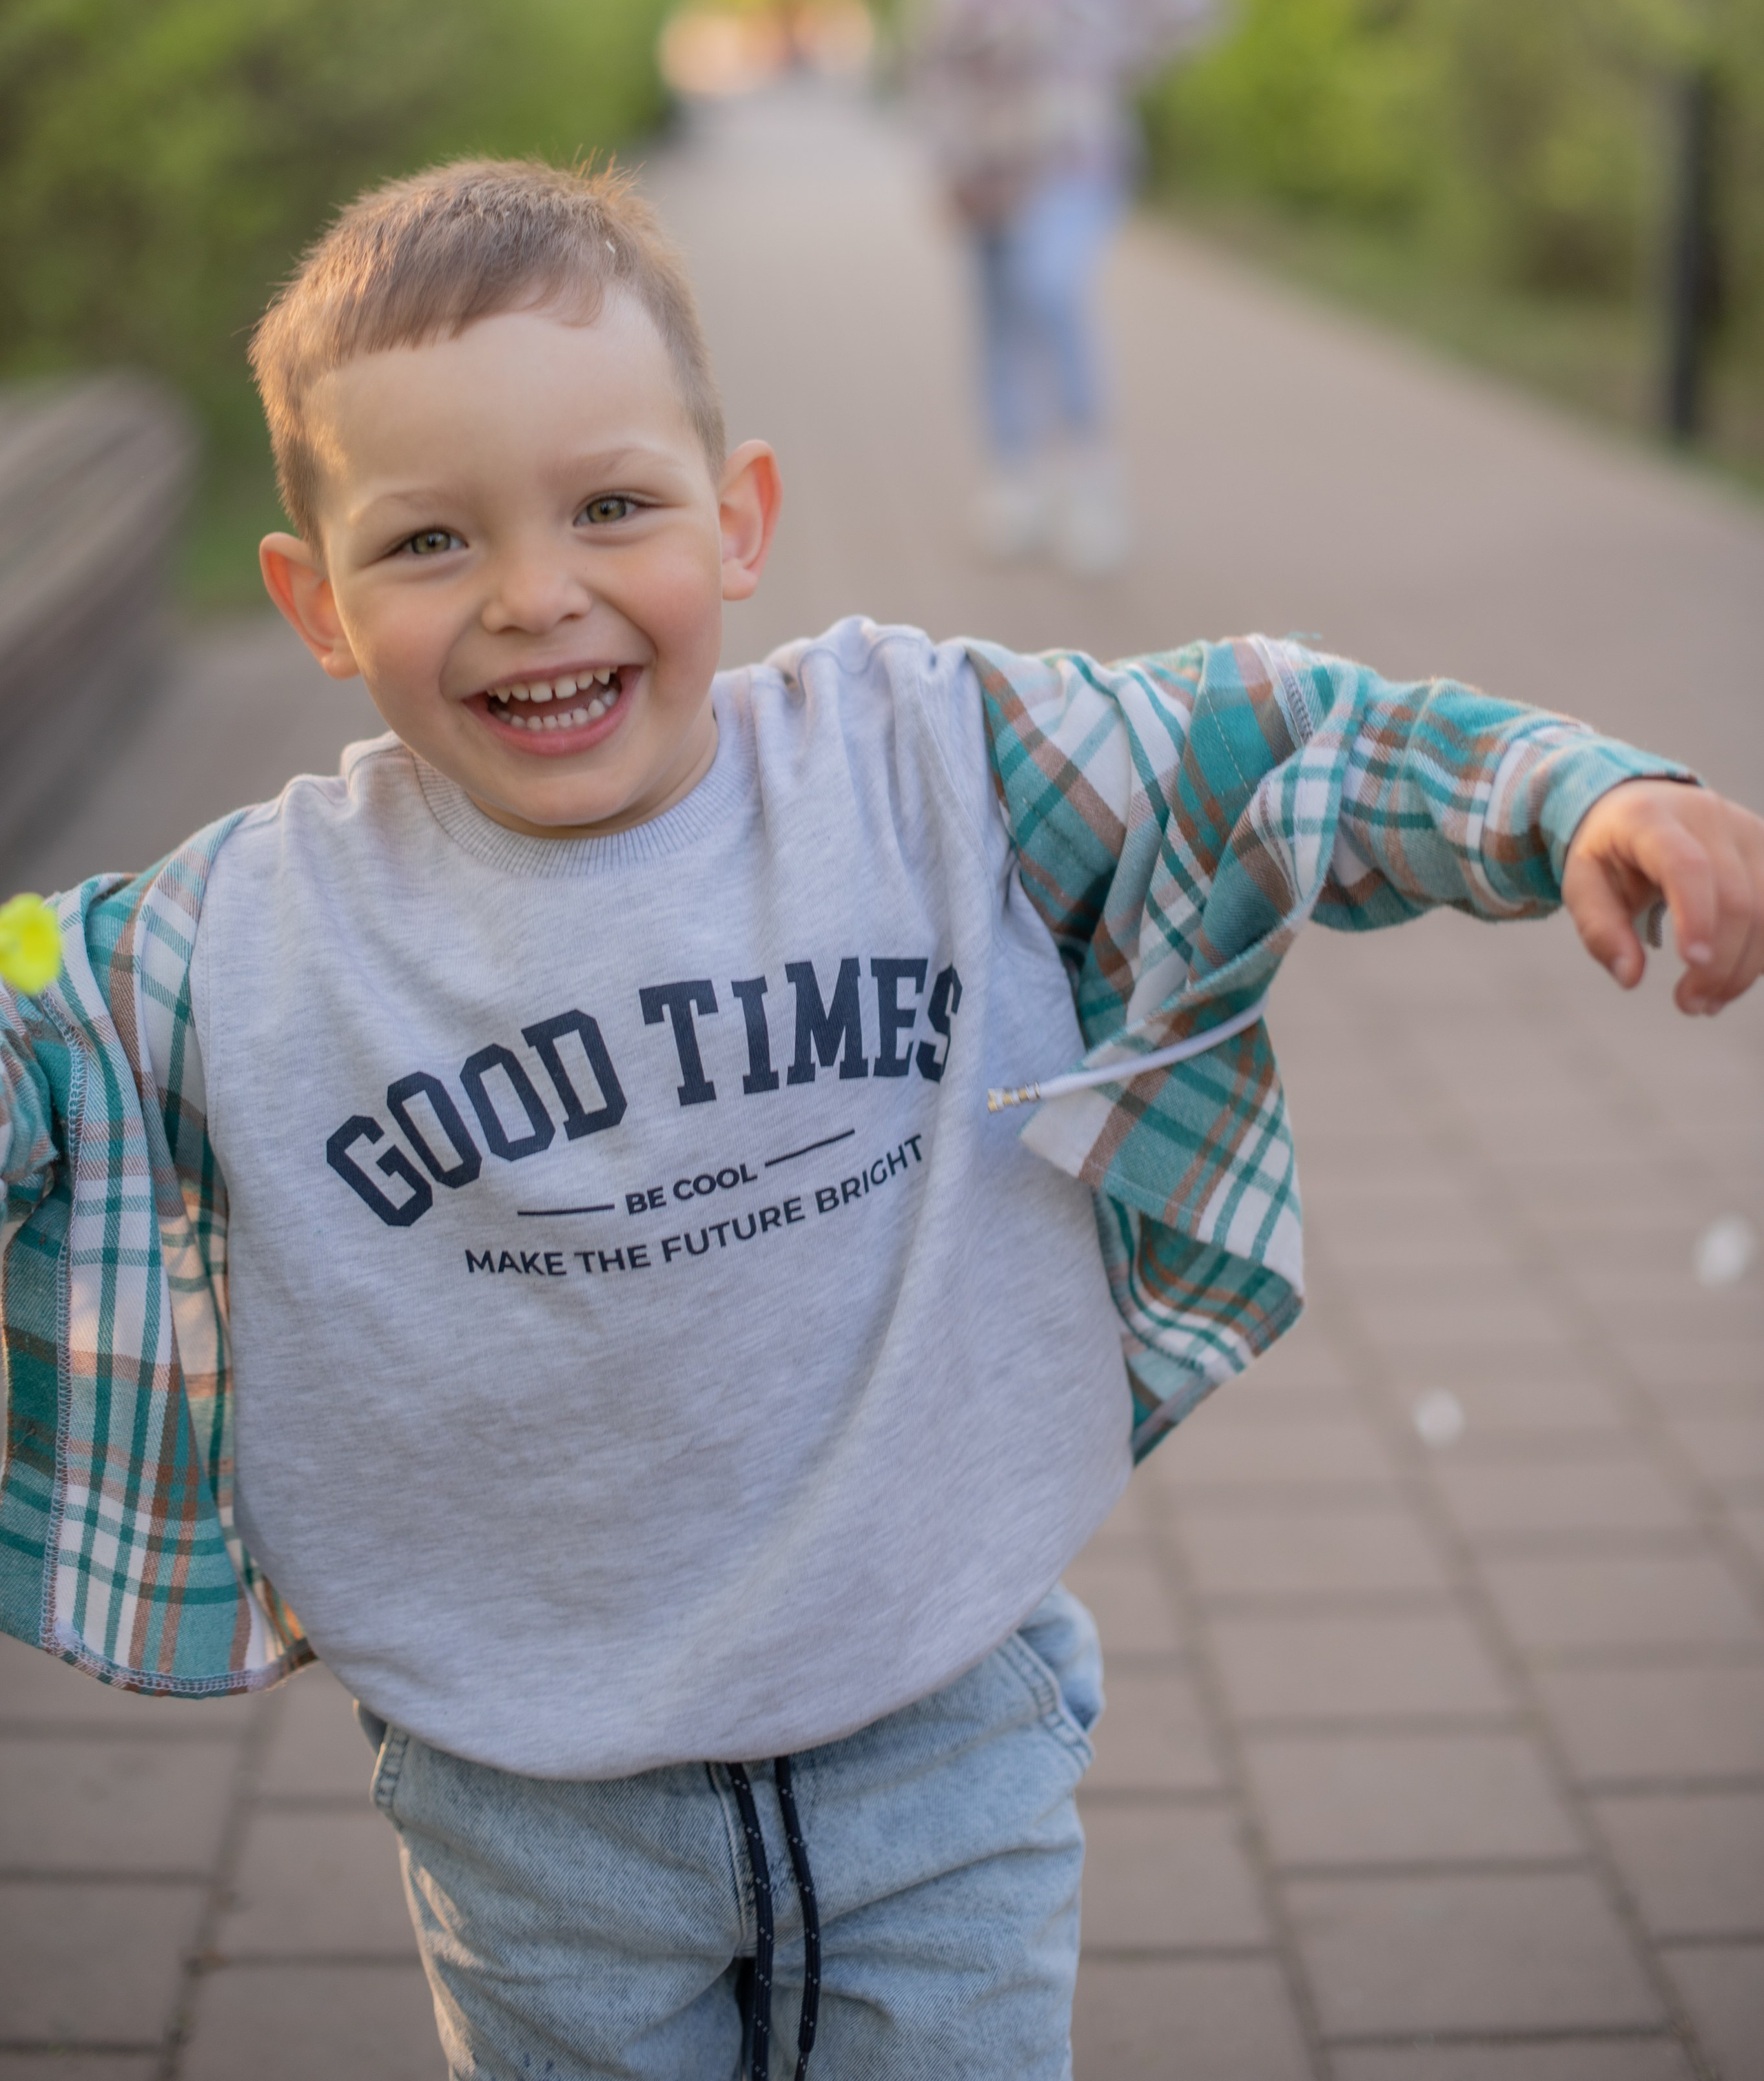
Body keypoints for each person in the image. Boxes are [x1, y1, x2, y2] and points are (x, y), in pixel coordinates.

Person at [3, 158, 1761, 2081]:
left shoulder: (928, 768)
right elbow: (34, 1034)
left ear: (739, 517)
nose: (533, 594)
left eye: (612, 507)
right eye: (428, 540)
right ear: (314, 603)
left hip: (940, 1718)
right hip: (528, 1798)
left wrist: (1566, 795)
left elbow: (1270, 743)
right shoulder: (244, 939)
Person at [908, 0, 1227, 575]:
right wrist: (945, 161)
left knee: (1049, 288)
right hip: (985, 160)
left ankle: (1091, 480)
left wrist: (1122, 56)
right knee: (996, 319)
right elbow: (931, 56)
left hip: (1077, 155)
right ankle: (1015, 482)